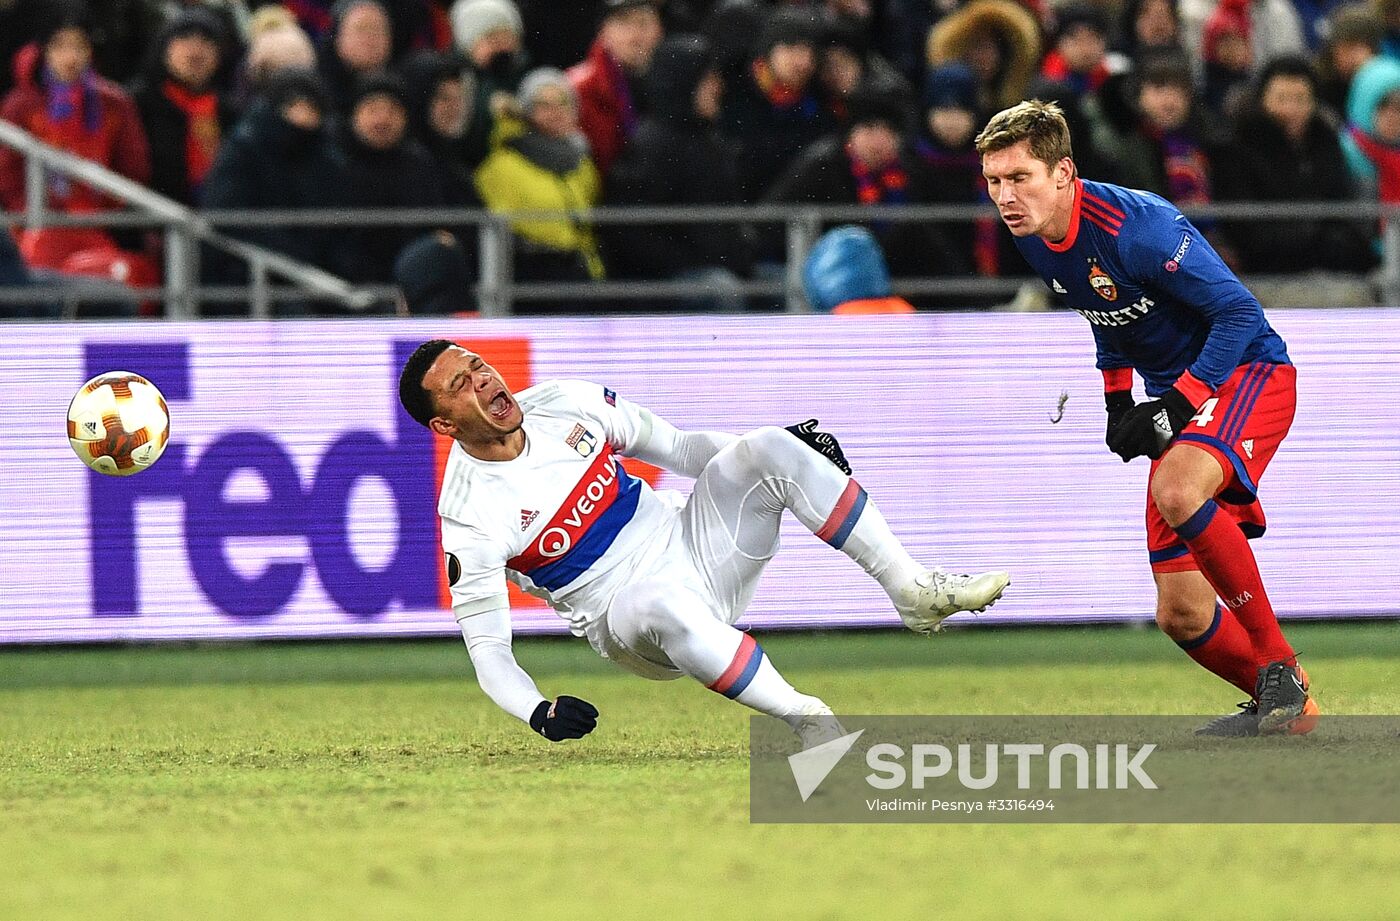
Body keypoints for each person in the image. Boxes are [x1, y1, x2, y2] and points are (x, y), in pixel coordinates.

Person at [396, 340, 1010, 746]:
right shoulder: (469, 516)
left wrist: (786, 452)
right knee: (660, 604)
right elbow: (488, 652)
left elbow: (685, 450)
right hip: (625, 617)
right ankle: (809, 721)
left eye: (478, 365)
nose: (483, 380)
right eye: (460, 384)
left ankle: (912, 589)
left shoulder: (567, 403)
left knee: (767, 444)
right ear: (444, 425)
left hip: (693, 542)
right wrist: (538, 712)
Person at [976, 99, 1315, 738]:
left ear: (1063, 173)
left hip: (1251, 375)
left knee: (1178, 488)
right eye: (994, 182)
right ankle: (1292, 717)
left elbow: (1240, 317)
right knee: (1182, 614)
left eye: (1018, 178)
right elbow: (1105, 315)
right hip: (1177, 394)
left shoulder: (1140, 229)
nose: (1005, 196)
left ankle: (1280, 667)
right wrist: (1116, 402)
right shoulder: (1038, 237)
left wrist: (1177, 403)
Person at [567, 0, 665, 180]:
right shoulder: (577, 89)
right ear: (603, 32)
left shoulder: (673, 88)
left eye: (643, 23)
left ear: (659, 31)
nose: (635, 36)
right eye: (623, 23)